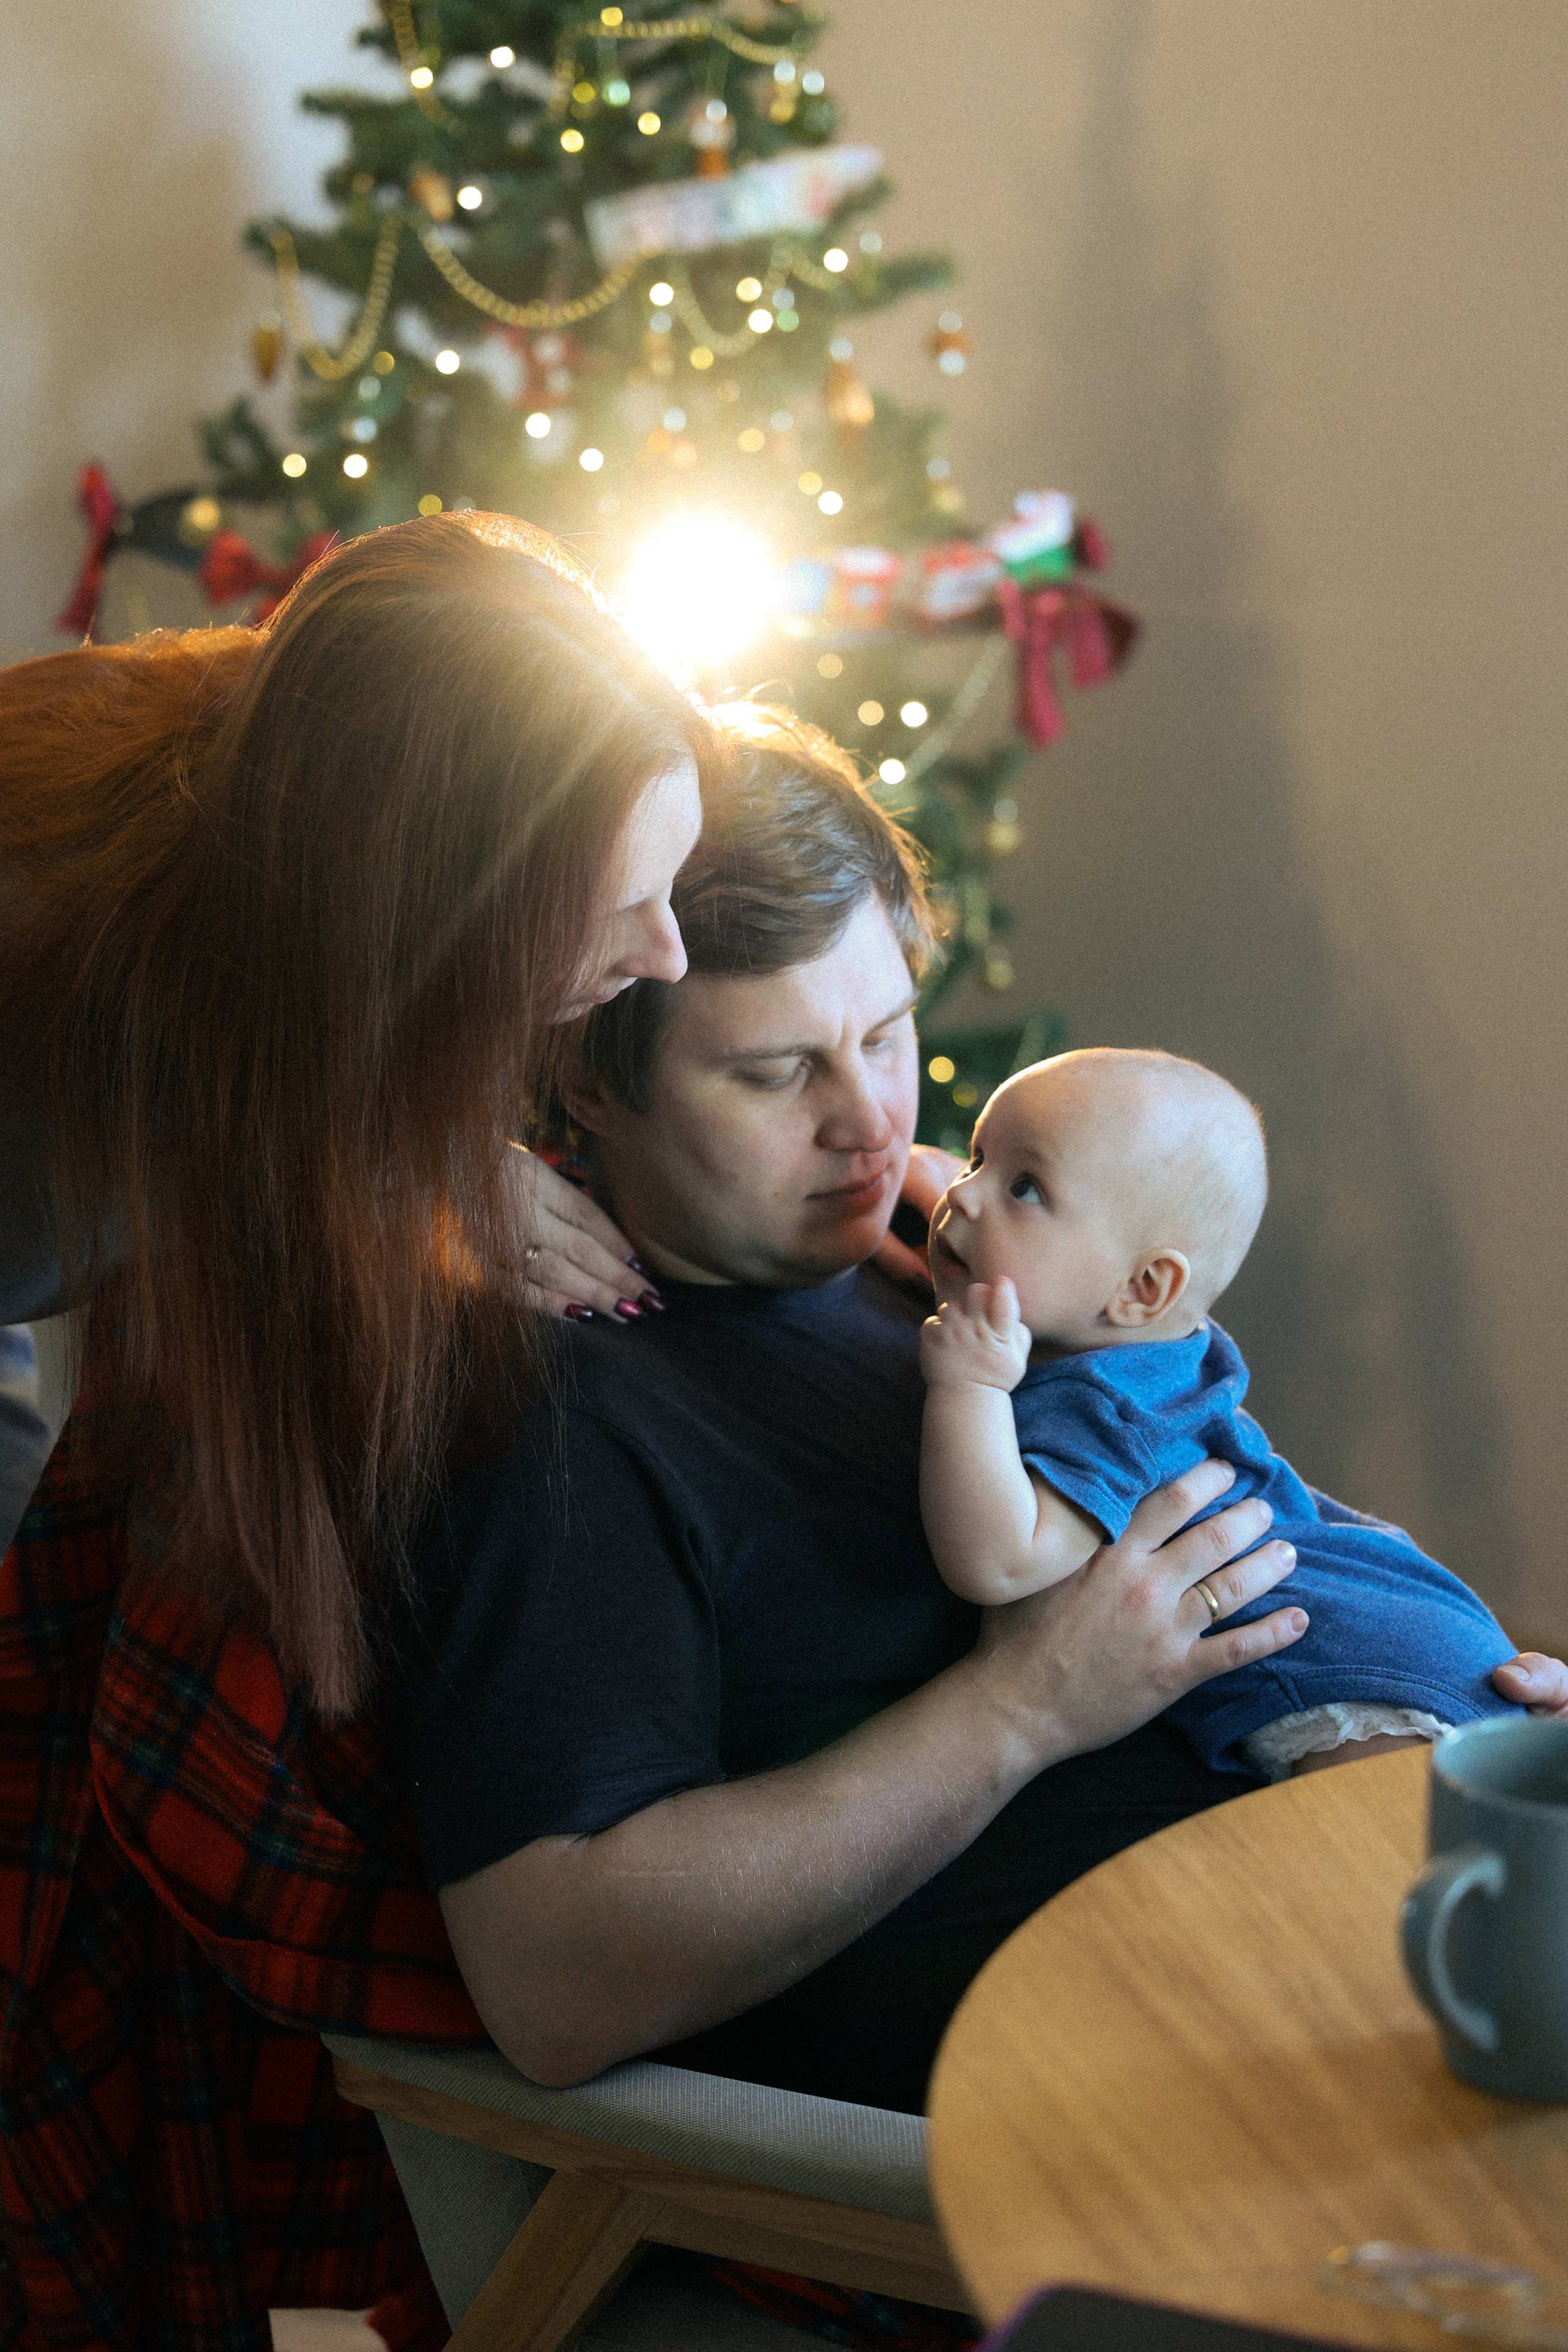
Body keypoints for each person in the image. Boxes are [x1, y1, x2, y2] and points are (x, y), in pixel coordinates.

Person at [385, 714, 1558, 2121]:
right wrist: (1024, 1705)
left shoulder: (928, 1245)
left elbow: (1209, 1483)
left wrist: (1460, 1700)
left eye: (884, 1033)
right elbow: (556, 1985)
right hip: (1189, 2102)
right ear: (583, 1074)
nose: (868, 1124)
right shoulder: (569, 1418)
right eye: (774, 1073)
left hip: (1412, 1897)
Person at [0, 511, 710, 1694]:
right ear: (431, 897)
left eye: (673, 883)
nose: (671, 953)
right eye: (616, 906)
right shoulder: (71, 1001)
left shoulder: (319, 785)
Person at [918, 1049, 1518, 1779]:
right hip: (1407, 1620)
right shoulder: (1162, 1345)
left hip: (1345, 1671)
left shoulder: (1102, 1401)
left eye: (1024, 1187)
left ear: (1142, 1288)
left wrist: (969, 1390)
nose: (966, 1196)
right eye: (975, 1157)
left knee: (1372, 1864)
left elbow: (1001, 1561)